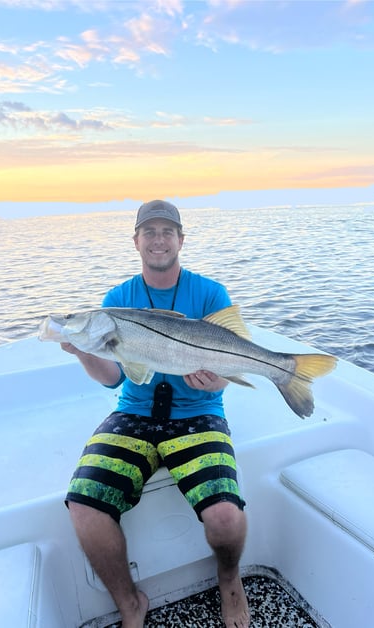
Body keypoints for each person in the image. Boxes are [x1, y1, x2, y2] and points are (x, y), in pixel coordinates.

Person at [62, 200, 250, 628]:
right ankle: (130, 602)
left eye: (167, 231)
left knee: (225, 515)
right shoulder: (117, 301)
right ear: (136, 242)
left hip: (198, 415)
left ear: (181, 240)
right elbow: (112, 379)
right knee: (85, 505)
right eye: (150, 232)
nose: (159, 239)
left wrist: (217, 380)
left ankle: (229, 578)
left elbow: (229, 365)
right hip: (134, 415)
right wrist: (82, 350)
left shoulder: (210, 293)